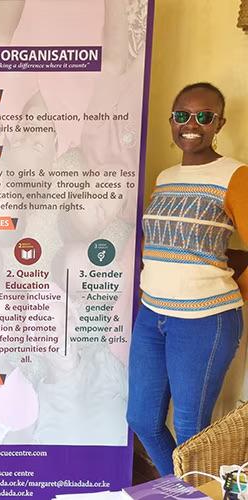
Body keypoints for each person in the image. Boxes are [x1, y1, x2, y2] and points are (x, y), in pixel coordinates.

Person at [127, 82, 247, 475]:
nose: (191, 124)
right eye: (182, 115)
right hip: (151, 316)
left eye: (204, 116)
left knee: (192, 432)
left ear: (219, 123)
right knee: (142, 419)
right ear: (172, 121)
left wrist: (234, 294)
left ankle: (187, 491)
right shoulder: (166, 177)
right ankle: (181, 491)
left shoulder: (236, 175)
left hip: (204, 321)